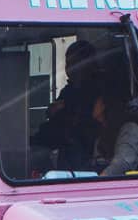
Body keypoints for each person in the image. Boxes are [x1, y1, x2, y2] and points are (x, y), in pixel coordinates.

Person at [32, 40, 103, 170]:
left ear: (89, 64)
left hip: (86, 154)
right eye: (68, 64)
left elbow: (83, 126)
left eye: (75, 63)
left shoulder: (97, 91)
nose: (70, 69)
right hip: (65, 149)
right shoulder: (69, 90)